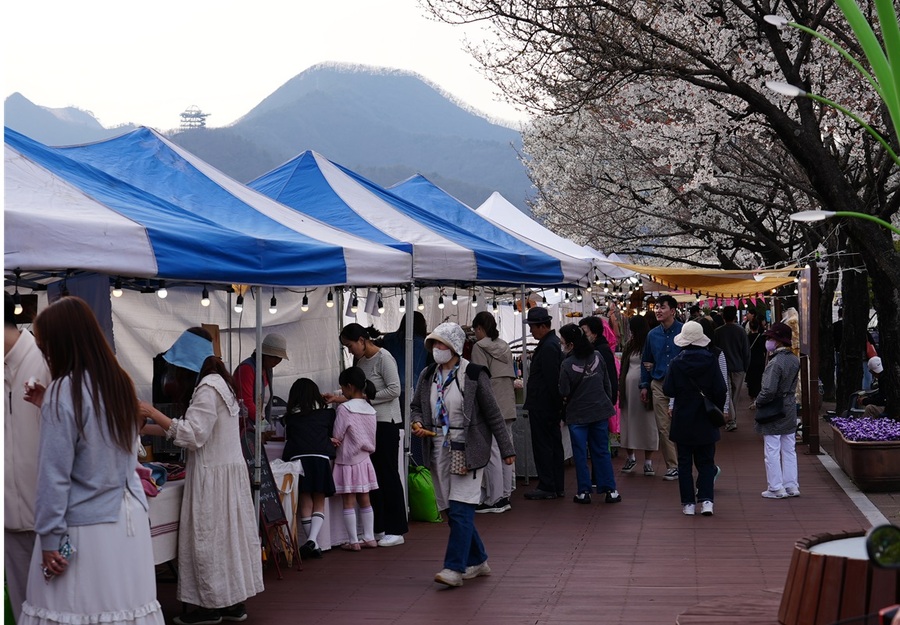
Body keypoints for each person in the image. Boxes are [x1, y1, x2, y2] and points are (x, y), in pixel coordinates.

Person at [20, 296, 164, 625]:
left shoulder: (64, 392)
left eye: (45, 345)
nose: (45, 353)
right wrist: (49, 404)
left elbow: (54, 475)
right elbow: (103, 443)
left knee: (72, 611)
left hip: (85, 526)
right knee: (127, 612)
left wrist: (50, 537)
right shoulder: (120, 384)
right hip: (129, 522)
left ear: (59, 343)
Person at [141, 328, 264, 624]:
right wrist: (147, 427)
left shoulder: (208, 387)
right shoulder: (220, 383)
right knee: (227, 542)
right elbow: (191, 428)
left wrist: (151, 412)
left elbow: (193, 435)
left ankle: (209, 607)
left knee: (209, 541)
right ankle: (232, 602)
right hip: (226, 475)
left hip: (213, 476)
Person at [410, 322, 515, 587]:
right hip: (437, 449)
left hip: (467, 449)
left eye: (441, 343)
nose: (437, 348)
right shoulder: (427, 375)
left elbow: (493, 414)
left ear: (455, 346)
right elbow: (416, 407)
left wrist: (507, 449)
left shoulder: (474, 374)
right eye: (434, 343)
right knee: (451, 510)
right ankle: (478, 559)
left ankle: (454, 568)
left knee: (460, 508)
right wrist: (418, 422)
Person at [327, 324, 407, 547]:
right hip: (367, 425)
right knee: (374, 478)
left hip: (386, 423)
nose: (349, 350)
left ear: (362, 340)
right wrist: (338, 398)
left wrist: (367, 399)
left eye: (350, 345)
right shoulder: (360, 362)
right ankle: (379, 528)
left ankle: (396, 529)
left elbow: (395, 390)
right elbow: (356, 395)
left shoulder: (384, 358)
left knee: (388, 474)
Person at [5, 292, 50, 622]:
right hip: (8, 516)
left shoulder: (45, 361)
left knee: (55, 608)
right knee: (23, 610)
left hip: (49, 517)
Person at [662, 321, 727, 517]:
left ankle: (688, 504)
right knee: (706, 462)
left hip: (683, 418)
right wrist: (715, 405)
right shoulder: (711, 361)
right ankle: (707, 501)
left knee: (684, 464)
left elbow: (668, 389)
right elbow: (721, 389)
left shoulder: (676, 363)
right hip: (706, 417)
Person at [558, 324, 621, 505]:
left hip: (577, 415)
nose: (562, 345)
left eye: (563, 342)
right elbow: (607, 383)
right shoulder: (598, 356)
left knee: (580, 454)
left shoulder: (567, 364)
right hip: (599, 411)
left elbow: (563, 390)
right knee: (601, 451)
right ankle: (610, 489)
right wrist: (606, 402)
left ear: (570, 344)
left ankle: (584, 492)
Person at [282, 378, 337, 559]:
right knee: (319, 499)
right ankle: (313, 541)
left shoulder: (289, 418)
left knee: (305, 500)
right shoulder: (327, 414)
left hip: (299, 461)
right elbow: (328, 433)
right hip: (320, 459)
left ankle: (312, 543)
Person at [470, 311, 517, 514]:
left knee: (493, 451)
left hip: (491, 405)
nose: (475, 334)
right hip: (508, 403)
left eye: (475, 330)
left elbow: (479, 379)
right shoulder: (505, 346)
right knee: (507, 449)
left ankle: (494, 498)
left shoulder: (479, 347)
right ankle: (505, 494)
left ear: (480, 328)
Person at [329, 366, 379, 551]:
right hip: (365, 460)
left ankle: (353, 541)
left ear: (349, 386)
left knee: (348, 501)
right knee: (365, 500)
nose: (341, 391)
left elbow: (337, 434)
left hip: (347, 460)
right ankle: (369, 537)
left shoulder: (345, 409)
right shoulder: (370, 408)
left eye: (342, 387)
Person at [754, 322, 802, 499]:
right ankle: (791, 485)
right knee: (789, 447)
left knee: (772, 448)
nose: (768, 341)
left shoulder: (775, 363)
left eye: (770, 338)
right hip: (789, 405)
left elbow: (768, 390)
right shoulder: (794, 360)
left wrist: (758, 401)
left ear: (778, 341)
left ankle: (776, 487)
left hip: (773, 408)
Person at [522, 307, 566, 499]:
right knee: (553, 445)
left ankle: (548, 485)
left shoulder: (548, 347)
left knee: (544, 445)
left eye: (532, 327)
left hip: (543, 405)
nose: (531, 331)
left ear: (542, 326)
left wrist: (556, 404)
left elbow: (551, 378)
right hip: (548, 405)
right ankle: (555, 485)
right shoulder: (552, 344)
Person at [639, 295, 683, 481]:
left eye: (662, 307)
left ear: (672, 311)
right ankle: (673, 466)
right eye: (656, 307)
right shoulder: (652, 335)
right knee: (663, 427)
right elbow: (645, 361)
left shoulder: (683, 331)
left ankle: (685, 462)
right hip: (659, 384)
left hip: (682, 385)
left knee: (682, 425)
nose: (658, 310)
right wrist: (644, 385)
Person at [380, 311, 431, 464]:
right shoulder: (425, 344)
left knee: (396, 432)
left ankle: (398, 463)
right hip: (414, 391)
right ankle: (415, 464)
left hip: (390, 392)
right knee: (415, 430)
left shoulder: (388, 340)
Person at [618, 314, 658, 476]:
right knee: (628, 422)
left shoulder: (650, 344)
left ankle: (648, 462)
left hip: (645, 389)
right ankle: (631, 457)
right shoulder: (630, 345)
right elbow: (624, 366)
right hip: (628, 390)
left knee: (648, 424)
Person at [233, 332, 289, 430]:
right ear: (264, 354)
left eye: (280, 358)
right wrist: (264, 426)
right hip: (246, 427)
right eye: (274, 357)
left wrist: (266, 425)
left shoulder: (268, 369)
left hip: (258, 425)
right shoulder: (247, 368)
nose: (277, 361)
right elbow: (245, 402)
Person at [714, 306, 750, 432]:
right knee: (735, 395)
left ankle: (731, 419)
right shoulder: (741, 331)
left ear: (723, 317)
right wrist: (746, 367)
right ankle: (732, 419)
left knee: (727, 393)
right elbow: (746, 351)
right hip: (739, 367)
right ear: (735, 316)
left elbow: (715, 350)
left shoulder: (718, 332)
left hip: (723, 367)